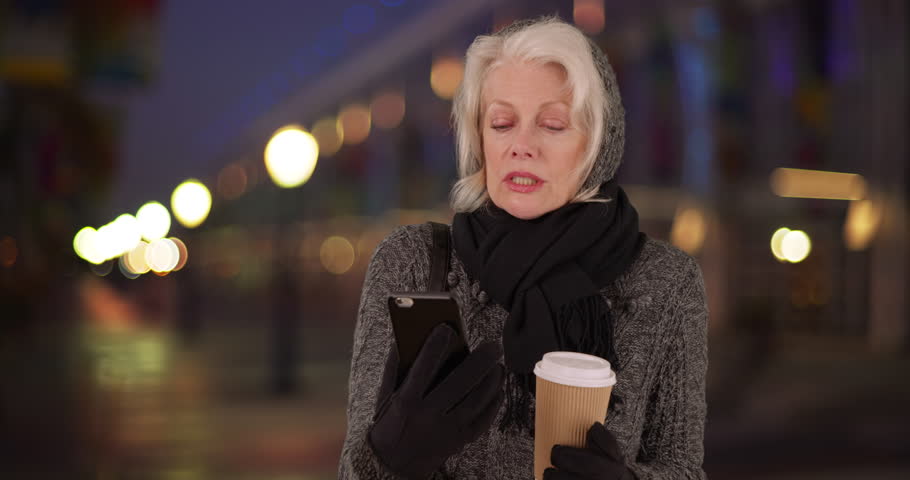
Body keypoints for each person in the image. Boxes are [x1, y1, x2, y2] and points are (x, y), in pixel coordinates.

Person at [339, 15, 708, 480]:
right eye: (501, 123)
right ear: (480, 140)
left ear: (598, 143)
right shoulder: (413, 261)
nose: (521, 145)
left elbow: (682, 467)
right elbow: (353, 470)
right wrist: (390, 459)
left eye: (552, 125)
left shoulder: (666, 281)